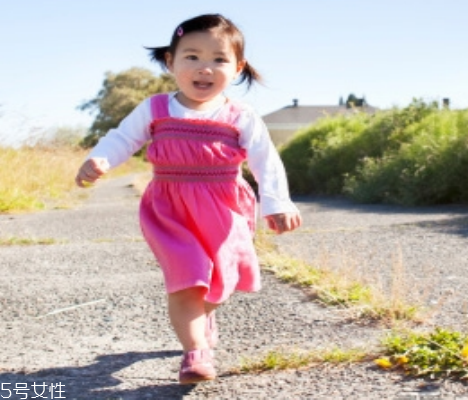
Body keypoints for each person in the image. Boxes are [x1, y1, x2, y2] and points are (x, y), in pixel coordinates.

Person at [75, 13, 301, 384]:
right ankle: (196, 353)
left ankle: (203, 316)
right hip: (169, 209)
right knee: (187, 279)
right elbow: (122, 137)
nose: (204, 68)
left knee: (220, 280)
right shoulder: (155, 109)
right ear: (170, 62)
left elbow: (265, 160)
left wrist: (277, 203)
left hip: (225, 208)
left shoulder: (240, 115)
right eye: (192, 57)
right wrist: (100, 159)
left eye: (219, 59)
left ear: (238, 67)